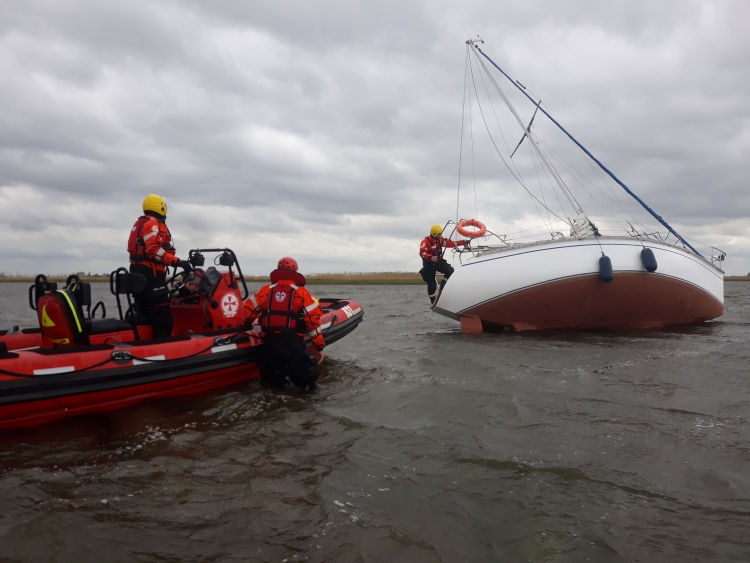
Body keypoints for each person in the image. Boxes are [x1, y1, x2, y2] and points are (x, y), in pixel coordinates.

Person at [242, 257, 325, 392]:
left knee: (274, 387)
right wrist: (319, 346)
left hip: (270, 343)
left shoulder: (265, 291)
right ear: (295, 270)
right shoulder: (301, 292)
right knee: (307, 386)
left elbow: (247, 312)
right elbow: (312, 321)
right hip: (293, 344)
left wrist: (245, 327)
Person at [127, 194, 190, 338]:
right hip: (151, 276)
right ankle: (161, 353)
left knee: (146, 314)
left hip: (138, 274)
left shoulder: (140, 223)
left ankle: (145, 348)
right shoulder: (152, 224)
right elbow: (153, 250)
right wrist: (177, 262)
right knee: (163, 319)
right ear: (160, 207)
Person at [419, 224, 469, 304]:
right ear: (435, 233)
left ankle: (442, 287)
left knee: (450, 270)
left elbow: (451, 243)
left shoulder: (440, 240)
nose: (441, 235)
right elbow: (422, 253)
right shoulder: (425, 242)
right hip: (429, 265)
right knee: (432, 285)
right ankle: (433, 301)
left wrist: (463, 242)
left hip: (438, 262)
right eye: (439, 234)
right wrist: (430, 257)